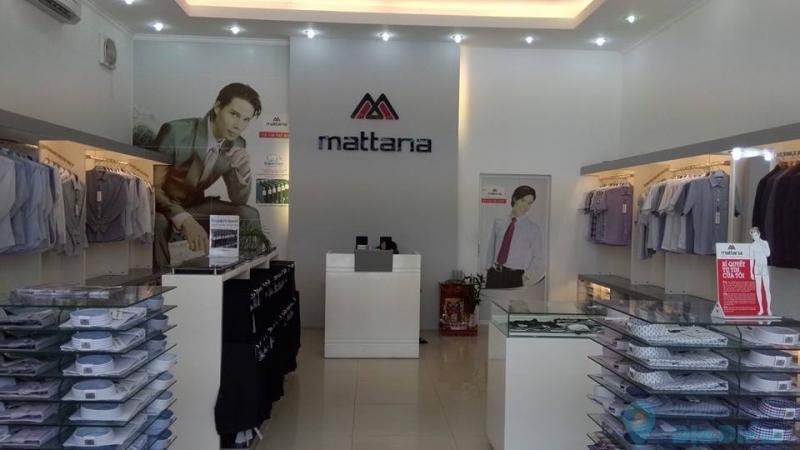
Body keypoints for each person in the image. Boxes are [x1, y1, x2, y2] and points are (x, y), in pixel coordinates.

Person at [151, 83, 262, 268]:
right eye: (234, 114)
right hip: (162, 207)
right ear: (218, 107)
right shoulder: (176, 132)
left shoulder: (237, 143)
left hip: (195, 206)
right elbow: (152, 188)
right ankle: (161, 281)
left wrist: (243, 172)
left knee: (248, 214)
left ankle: (245, 278)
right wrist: (184, 219)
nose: (238, 126)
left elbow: (238, 199)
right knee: (158, 222)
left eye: (246, 120)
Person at [483, 185, 545, 289]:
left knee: (513, 300)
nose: (525, 206)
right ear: (515, 199)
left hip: (514, 277)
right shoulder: (499, 221)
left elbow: (538, 256)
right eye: (523, 200)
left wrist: (526, 275)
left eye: (529, 203)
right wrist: (487, 269)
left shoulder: (533, 228)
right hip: (493, 274)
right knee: (490, 299)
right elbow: (491, 246)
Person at [750, 227, 772, 316]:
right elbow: (751, 259)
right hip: (757, 267)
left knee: (767, 288)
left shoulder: (765, 243)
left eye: (756, 235)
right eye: (753, 236)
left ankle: (768, 309)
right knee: (758, 289)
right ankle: (761, 309)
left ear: (759, 234)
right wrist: (751, 272)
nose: (755, 237)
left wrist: (762, 246)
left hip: (764, 266)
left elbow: (768, 254)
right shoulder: (752, 246)